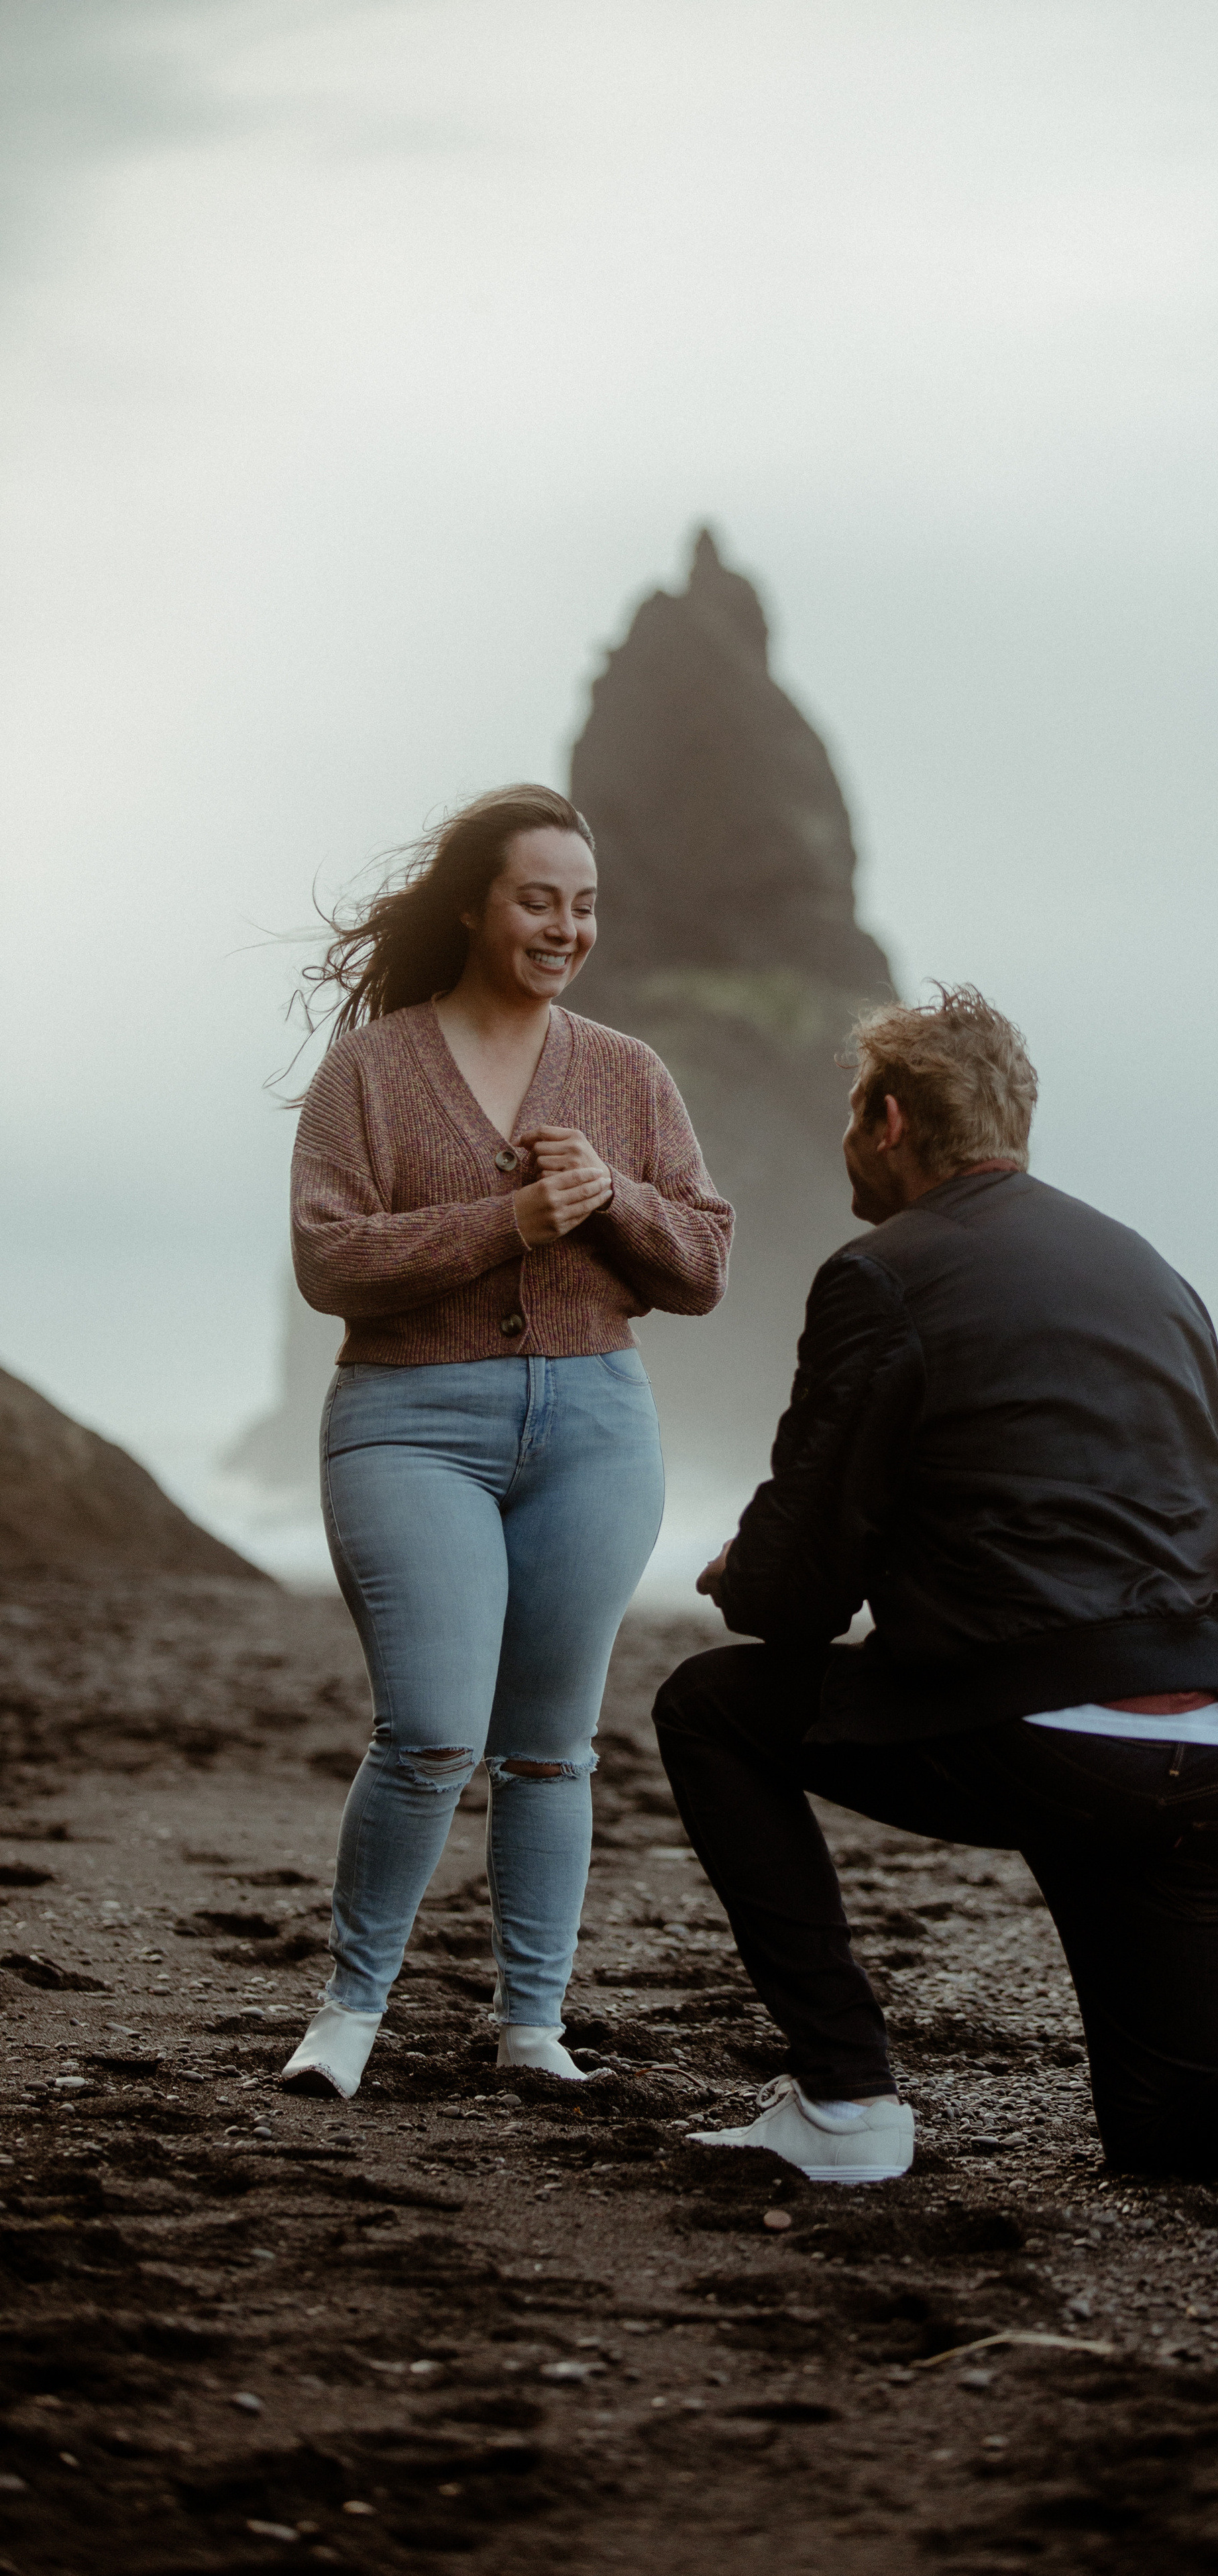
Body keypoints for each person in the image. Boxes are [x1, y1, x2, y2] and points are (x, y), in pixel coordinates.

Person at [653, 985, 1218, 2212]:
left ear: (887, 1114)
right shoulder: (1153, 1273)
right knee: (1168, 2115)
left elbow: (797, 1595)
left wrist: (744, 1576)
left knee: (713, 1706)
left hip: (1064, 1733)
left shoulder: (880, 1274)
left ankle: (845, 2101)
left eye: (852, 1115)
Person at [279, 785, 733, 2102]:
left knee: (547, 1746)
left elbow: (701, 1262)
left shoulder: (626, 1074)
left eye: (583, 906)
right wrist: (515, 1222)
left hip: (595, 1427)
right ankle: (350, 2011)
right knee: (427, 1729)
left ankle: (531, 2026)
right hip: (409, 1424)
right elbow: (329, 1260)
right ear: (474, 905)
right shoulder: (370, 1070)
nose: (563, 927)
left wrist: (612, 1200)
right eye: (538, 899)